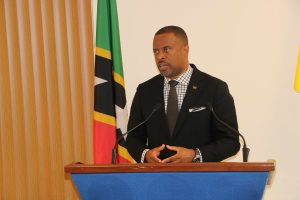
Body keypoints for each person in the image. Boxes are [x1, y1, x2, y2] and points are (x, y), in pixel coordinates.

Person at [125, 25, 240, 163]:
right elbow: (132, 138)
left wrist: (195, 155)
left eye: (166, 49)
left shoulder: (214, 88)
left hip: (199, 179)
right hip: (157, 179)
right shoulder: (145, 90)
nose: (160, 56)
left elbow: (231, 142)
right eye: (155, 51)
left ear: (185, 49)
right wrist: (146, 155)